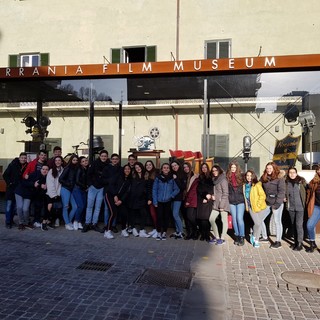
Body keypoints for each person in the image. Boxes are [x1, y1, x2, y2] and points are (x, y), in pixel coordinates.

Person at [82, 150, 109, 233]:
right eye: (102, 156)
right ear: (99, 156)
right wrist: (90, 185)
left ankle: (94, 224)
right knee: (89, 206)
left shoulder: (108, 165)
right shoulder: (94, 163)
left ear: (107, 157)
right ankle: (87, 223)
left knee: (98, 207)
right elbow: (88, 174)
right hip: (93, 187)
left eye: (105, 156)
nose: (104, 157)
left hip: (101, 188)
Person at [260, 162, 285, 249]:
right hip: (267, 202)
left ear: (274, 169)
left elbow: (282, 192)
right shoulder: (264, 177)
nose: (269, 170)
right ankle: (265, 237)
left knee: (277, 221)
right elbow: (259, 186)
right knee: (260, 219)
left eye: (270, 168)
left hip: (277, 202)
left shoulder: (279, 178)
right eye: (267, 168)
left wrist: (277, 204)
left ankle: (278, 241)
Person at [153, 163, 179, 240]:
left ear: (169, 169)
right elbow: (154, 189)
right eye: (164, 168)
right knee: (159, 217)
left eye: (167, 168)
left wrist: (171, 196)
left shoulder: (172, 178)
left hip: (168, 201)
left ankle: (164, 232)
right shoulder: (158, 178)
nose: (166, 169)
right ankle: (158, 232)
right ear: (162, 169)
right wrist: (155, 201)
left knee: (166, 217)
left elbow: (177, 189)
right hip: (159, 201)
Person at [244, 170, 269, 248]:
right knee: (257, 223)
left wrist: (258, 204)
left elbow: (262, 195)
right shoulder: (245, 185)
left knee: (258, 223)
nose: (249, 177)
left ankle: (256, 239)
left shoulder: (257, 184)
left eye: (250, 175)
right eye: (247, 175)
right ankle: (255, 238)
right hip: (251, 207)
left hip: (259, 207)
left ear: (253, 176)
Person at [3, 152, 28, 228]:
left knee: (15, 207)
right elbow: (5, 175)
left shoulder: (26, 166)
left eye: (25, 158)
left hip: (19, 190)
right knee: (9, 206)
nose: (23, 159)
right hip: (11, 189)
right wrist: (9, 183)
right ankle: (8, 222)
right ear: (19, 158)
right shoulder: (13, 164)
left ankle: (11, 220)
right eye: (22, 158)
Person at [285, 167, 307, 251]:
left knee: (299, 225)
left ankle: (300, 243)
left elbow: (307, 191)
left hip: (300, 207)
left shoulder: (301, 182)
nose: (292, 174)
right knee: (293, 225)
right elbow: (285, 193)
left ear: (296, 173)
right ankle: (295, 242)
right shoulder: (286, 182)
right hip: (291, 207)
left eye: (293, 172)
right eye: (290, 172)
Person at [127, 162, 151, 238]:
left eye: (139, 166)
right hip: (133, 198)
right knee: (132, 214)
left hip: (142, 198)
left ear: (141, 166)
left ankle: (141, 230)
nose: (138, 168)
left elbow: (148, 188)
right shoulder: (133, 176)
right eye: (136, 167)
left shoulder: (146, 175)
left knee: (143, 213)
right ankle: (133, 228)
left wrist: (149, 198)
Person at [209, 164, 230, 245]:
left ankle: (222, 238)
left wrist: (221, 205)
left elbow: (225, 193)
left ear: (219, 170)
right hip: (216, 203)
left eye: (216, 170)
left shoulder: (223, 180)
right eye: (213, 171)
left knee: (224, 221)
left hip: (223, 204)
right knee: (211, 219)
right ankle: (217, 237)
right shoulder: (215, 179)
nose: (214, 172)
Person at [103, 153, 122, 239]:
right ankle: (107, 231)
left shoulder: (120, 169)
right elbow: (109, 183)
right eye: (113, 158)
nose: (114, 160)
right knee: (112, 212)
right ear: (111, 160)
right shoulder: (107, 168)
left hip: (116, 193)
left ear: (118, 160)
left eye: (116, 159)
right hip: (109, 193)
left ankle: (108, 229)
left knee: (115, 212)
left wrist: (117, 194)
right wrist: (114, 195)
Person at [226, 162, 245, 246]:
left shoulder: (241, 177)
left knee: (239, 219)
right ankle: (236, 235)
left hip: (240, 200)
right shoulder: (227, 178)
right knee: (234, 219)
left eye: (234, 167)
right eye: (232, 167)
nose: (233, 169)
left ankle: (242, 236)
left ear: (237, 168)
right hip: (231, 201)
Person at [59, 154, 79, 230]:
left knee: (75, 207)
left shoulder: (76, 168)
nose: (75, 161)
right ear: (71, 160)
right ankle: (67, 223)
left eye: (76, 160)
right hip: (65, 189)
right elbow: (60, 179)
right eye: (74, 160)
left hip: (71, 190)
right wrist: (68, 183)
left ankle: (68, 222)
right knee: (66, 207)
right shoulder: (67, 168)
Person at [113, 164, 132, 237]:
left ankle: (123, 229)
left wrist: (121, 201)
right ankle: (108, 229)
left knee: (124, 213)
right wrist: (115, 195)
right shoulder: (118, 177)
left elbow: (127, 192)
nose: (127, 170)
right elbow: (112, 185)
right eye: (125, 169)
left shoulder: (130, 180)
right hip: (113, 197)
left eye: (129, 169)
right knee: (111, 212)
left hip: (123, 199)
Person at [196, 163, 213, 242]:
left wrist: (208, 196)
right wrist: (205, 195)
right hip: (201, 199)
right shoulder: (200, 177)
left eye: (205, 167)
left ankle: (207, 234)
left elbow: (212, 188)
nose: (204, 169)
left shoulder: (211, 177)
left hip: (209, 199)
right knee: (202, 219)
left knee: (207, 219)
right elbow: (199, 189)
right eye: (202, 167)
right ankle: (203, 234)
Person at [45, 156, 64, 229]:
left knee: (56, 209)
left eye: (59, 160)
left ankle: (50, 222)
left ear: (61, 162)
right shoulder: (51, 171)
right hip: (51, 193)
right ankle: (45, 222)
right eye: (56, 160)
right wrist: (54, 195)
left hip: (58, 193)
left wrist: (58, 194)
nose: (57, 162)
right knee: (49, 208)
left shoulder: (63, 170)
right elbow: (50, 184)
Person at [170, 160, 186, 239]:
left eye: (175, 165)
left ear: (178, 165)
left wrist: (176, 179)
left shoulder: (182, 174)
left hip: (178, 198)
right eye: (172, 166)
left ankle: (181, 232)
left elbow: (182, 187)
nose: (174, 167)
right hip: (172, 198)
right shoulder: (173, 174)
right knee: (176, 215)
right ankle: (177, 231)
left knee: (175, 214)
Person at [305, 164, 320, 253]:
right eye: (318, 170)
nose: (318, 171)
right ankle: (312, 243)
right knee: (310, 225)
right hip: (317, 206)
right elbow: (309, 188)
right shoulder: (315, 181)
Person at [183, 162, 199, 240]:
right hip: (185, 199)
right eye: (184, 167)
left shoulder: (194, 177)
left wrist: (188, 200)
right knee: (187, 218)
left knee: (190, 217)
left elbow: (193, 190)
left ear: (190, 167)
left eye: (187, 167)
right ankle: (190, 233)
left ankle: (195, 232)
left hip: (191, 200)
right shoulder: (184, 176)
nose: (186, 168)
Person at [72, 156, 89, 230]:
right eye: (83, 161)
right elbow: (77, 181)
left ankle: (79, 222)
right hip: (77, 189)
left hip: (83, 189)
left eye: (86, 160)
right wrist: (85, 186)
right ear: (80, 163)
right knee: (80, 206)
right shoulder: (79, 169)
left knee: (84, 206)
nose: (85, 162)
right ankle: (75, 221)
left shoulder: (86, 169)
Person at [145, 160, 158, 238]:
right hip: (149, 198)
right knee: (152, 214)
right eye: (147, 165)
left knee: (155, 214)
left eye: (150, 164)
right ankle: (155, 228)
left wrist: (151, 199)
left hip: (154, 198)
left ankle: (158, 230)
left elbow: (154, 188)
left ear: (152, 165)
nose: (148, 166)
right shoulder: (146, 174)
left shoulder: (155, 174)